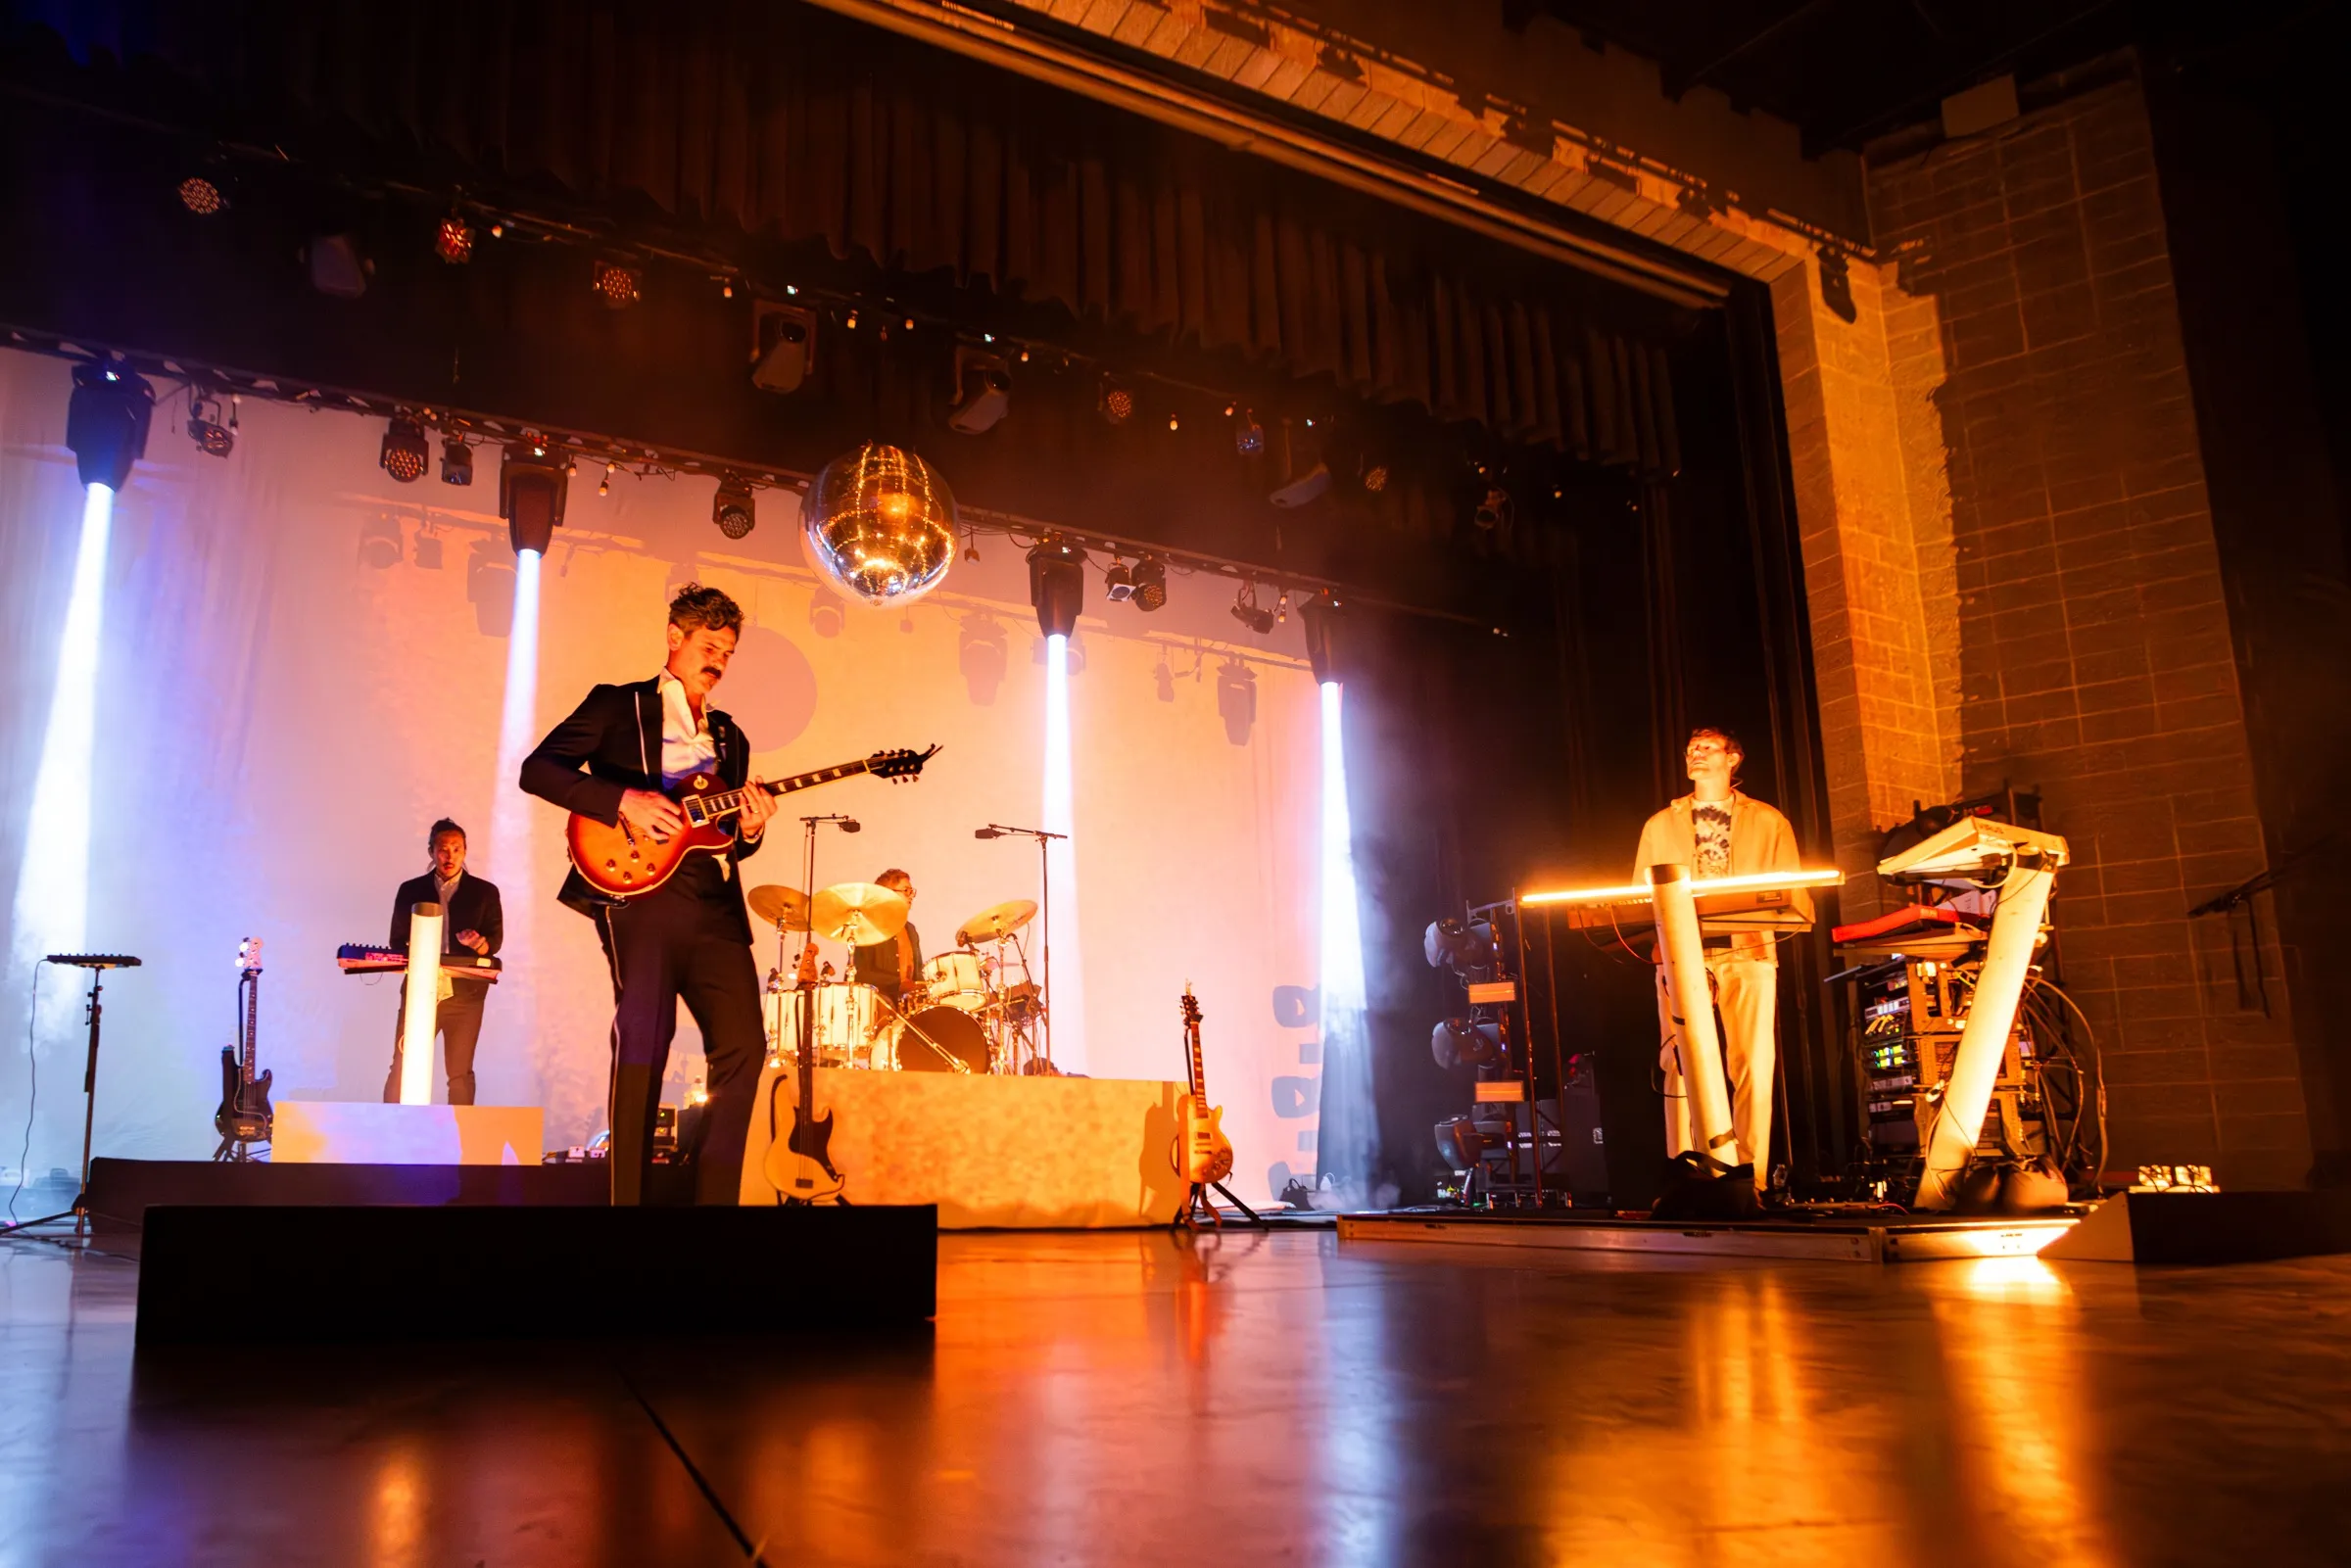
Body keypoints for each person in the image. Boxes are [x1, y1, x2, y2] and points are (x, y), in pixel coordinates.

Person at [519, 584, 777, 1204]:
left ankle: (711, 1200)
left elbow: (723, 839)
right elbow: (537, 769)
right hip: (639, 889)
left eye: (728, 652)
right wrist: (620, 800)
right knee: (645, 1038)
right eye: (709, 646)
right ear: (674, 637)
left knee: (745, 1046)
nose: (719, 661)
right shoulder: (618, 705)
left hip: (715, 902)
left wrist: (750, 828)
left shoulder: (732, 737)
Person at [1634, 727, 1800, 1193]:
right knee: (1679, 1062)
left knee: (1752, 1065)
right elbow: (1639, 896)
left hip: (1749, 950)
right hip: (1680, 953)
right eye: (1691, 749)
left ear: (1733, 758)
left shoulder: (1768, 821)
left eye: (1707, 748)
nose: (1696, 754)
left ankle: (1753, 1181)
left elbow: (1792, 889)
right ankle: (1687, 1175)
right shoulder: (1659, 825)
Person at [381, 818, 503, 1105]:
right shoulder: (410, 890)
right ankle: (390, 1127)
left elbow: (494, 943)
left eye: (456, 849)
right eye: (443, 849)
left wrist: (478, 944)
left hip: (466, 997)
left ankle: (460, 1132)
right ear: (431, 851)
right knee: (403, 1065)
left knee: (460, 1072)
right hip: (420, 993)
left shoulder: (485, 892)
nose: (450, 856)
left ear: (465, 851)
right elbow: (397, 941)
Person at [850, 869, 922, 1010]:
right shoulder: (869, 927)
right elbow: (859, 974)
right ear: (887, 894)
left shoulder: (911, 929)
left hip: (908, 1006)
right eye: (906, 891)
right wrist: (898, 983)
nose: (911, 896)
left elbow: (918, 974)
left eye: (911, 891)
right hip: (877, 1005)